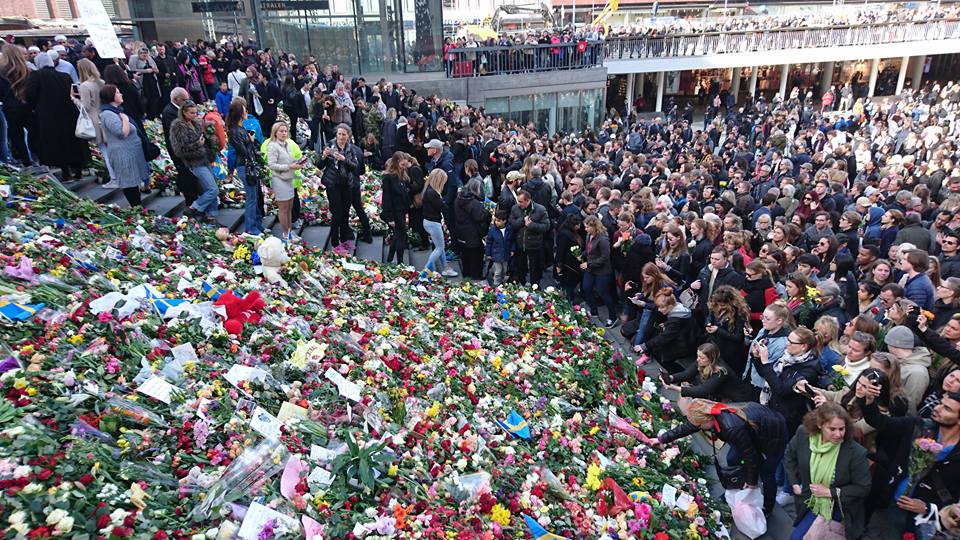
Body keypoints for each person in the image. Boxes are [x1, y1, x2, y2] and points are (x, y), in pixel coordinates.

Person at [644, 399, 788, 516]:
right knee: (733, 459)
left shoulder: (731, 427)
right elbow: (688, 427)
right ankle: (735, 490)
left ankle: (767, 508)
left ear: (706, 422)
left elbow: (752, 457)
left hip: (773, 436)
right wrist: (661, 439)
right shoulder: (710, 414)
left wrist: (752, 482)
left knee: (766, 473)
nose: (697, 428)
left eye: (699, 426)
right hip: (752, 431)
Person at [859, 386, 960, 537]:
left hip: (923, 524)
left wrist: (928, 509)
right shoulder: (919, 426)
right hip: (890, 506)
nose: (938, 408)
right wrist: (867, 401)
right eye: (940, 403)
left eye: (947, 408)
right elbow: (880, 421)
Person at [783, 403, 871, 540]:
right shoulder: (803, 434)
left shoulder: (855, 453)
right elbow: (790, 456)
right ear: (819, 425)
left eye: (842, 429)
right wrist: (794, 482)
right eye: (832, 429)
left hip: (836, 508)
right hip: (808, 502)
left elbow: (863, 487)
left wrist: (831, 492)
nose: (838, 434)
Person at [24, 48, 87, 179]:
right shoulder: (65, 76)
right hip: (69, 114)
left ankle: (65, 172)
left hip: (49, 117)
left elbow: (30, 95)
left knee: (56, 144)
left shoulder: (36, 76)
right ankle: (78, 170)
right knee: (72, 141)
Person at [98, 84, 149, 207]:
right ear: (111, 96)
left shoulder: (117, 111)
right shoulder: (108, 114)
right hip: (122, 154)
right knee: (129, 183)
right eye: (117, 92)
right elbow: (121, 133)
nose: (121, 94)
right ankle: (137, 208)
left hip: (130, 152)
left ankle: (139, 208)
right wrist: (125, 120)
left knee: (133, 182)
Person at [169, 100, 219, 222]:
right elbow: (179, 150)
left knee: (211, 188)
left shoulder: (195, 123)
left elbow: (204, 140)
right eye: (191, 113)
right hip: (194, 162)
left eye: (195, 113)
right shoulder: (178, 126)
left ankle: (211, 215)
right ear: (184, 112)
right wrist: (197, 144)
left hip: (205, 159)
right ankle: (194, 207)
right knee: (213, 189)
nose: (194, 115)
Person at [315, 124, 362, 247]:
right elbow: (319, 164)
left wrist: (343, 159)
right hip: (333, 184)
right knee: (337, 213)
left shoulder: (351, 149)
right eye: (339, 134)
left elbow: (355, 166)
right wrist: (324, 156)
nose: (341, 137)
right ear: (336, 135)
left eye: (344, 134)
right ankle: (335, 243)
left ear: (348, 136)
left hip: (346, 184)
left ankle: (344, 239)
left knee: (346, 212)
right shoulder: (330, 146)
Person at [659, 343, 753, 402]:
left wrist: (674, 387)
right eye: (697, 356)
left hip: (736, 399)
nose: (698, 359)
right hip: (721, 393)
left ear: (711, 359)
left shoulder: (721, 371)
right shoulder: (702, 360)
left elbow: (703, 390)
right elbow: (687, 374)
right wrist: (671, 378)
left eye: (702, 358)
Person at [636, 290, 698, 374]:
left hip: (684, 343)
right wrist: (666, 324)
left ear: (670, 306)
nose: (659, 310)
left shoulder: (676, 320)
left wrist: (645, 345)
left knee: (662, 357)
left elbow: (664, 337)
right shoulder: (679, 309)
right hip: (687, 338)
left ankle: (681, 376)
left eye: (662, 307)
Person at [226, 100, 263, 236]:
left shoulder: (240, 128)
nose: (247, 112)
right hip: (245, 166)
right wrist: (251, 143)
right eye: (244, 110)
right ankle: (251, 227)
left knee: (255, 196)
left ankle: (257, 224)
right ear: (240, 114)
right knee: (252, 198)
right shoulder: (235, 131)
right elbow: (243, 151)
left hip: (249, 165)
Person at [265, 122, 303, 242]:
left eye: (285, 131)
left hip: (289, 178)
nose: (284, 133)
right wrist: (289, 166)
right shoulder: (272, 146)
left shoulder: (286, 144)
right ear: (275, 132)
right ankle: (286, 234)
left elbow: (290, 160)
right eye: (281, 131)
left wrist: (298, 163)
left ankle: (290, 230)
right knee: (283, 207)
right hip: (279, 179)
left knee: (290, 206)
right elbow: (271, 165)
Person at [161, 87, 198, 207]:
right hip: (179, 150)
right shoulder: (169, 112)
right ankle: (190, 203)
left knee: (189, 176)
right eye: (185, 100)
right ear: (176, 100)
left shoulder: (177, 109)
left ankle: (193, 201)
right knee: (185, 175)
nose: (187, 102)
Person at [705, 285, 752, 376]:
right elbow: (710, 316)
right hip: (717, 347)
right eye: (718, 303)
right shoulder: (716, 306)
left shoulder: (739, 313)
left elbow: (738, 338)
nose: (720, 306)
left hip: (731, 353)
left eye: (723, 304)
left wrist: (718, 330)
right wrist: (708, 323)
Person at [581, 215, 618, 328]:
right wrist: (582, 255)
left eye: (587, 227)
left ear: (594, 226)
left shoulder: (603, 239)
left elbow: (604, 257)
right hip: (591, 269)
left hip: (602, 271)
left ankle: (613, 317)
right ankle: (594, 311)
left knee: (603, 293)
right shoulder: (589, 235)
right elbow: (589, 249)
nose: (585, 229)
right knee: (586, 288)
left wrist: (588, 263)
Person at [509, 190, 550, 286]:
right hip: (520, 244)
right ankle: (522, 284)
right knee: (520, 267)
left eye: (521, 201)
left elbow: (546, 227)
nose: (518, 204)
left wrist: (532, 225)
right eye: (518, 201)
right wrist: (522, 220)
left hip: (534, 245)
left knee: (535, 268)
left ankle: (535, 286)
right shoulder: (515, 208)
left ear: (528, 200)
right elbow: (512, 223)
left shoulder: (540, 209)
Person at [421, 169, 457, 277]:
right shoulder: (433, 193)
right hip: (433, 223)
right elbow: (443, 207)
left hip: (428, 221)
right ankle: (426, 271)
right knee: (439, 248)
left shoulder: (428, 189)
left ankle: (445, 267)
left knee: (440, 246)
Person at [454, 178, 492, 280]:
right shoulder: (472, 202)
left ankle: (466, 275)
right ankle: (476, 276)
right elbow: (480, 217)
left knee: (465, 255)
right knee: (476, 256)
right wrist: (487, 213)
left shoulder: (459, 198)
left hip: (461, 231)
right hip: (472, 233)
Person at [380, 151, 413, 264]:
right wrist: (390, 218)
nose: (404, 167)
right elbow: (386, 199)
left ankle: (390, 258)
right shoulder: (388, 178)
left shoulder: (402, 175)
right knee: (401, 236)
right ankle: (400, 262)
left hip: (402, 210)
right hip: (394, 211)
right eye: (402, 165)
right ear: (396, 162)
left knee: (398, 235)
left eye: (405, 165)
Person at [554, 214, 582, 302]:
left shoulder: (570, 232)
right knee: (568, 285)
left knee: (568, 285)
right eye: (578, 224)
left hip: (571, 263)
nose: (579, 226)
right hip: (567, 264)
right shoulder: (565, 234)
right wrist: (559, 265)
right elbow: (560, 251)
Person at [486, 211, 514, 287]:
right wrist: (488, 253)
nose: (496, 222)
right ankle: (496, 284)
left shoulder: (509, 229)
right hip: (496, 254)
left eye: (499, 221)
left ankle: (502, 282)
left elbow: (512, 240)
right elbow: (489, 242)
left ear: (504, 221)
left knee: (504, 270)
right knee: (498, 271)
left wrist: (512, 249)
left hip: (505, 253)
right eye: (495, 220)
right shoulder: (493, 230)